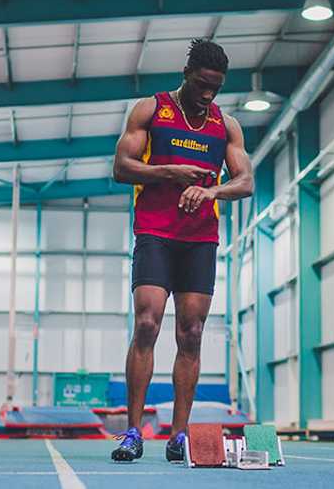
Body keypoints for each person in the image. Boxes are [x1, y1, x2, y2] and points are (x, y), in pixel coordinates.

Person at [110, 39, 254, 462]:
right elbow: (121, 168)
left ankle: (179, 435)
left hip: (199, 239)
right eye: (202, 83)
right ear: (187, 72)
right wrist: (167, 171)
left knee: (191, 333)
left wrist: (212, 191)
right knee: (147, 325)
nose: (208, 94)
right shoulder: (150, 110)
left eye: (216, 87)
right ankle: (134, 432)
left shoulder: (225, 125)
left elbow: (244, 181)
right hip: (155, 231)